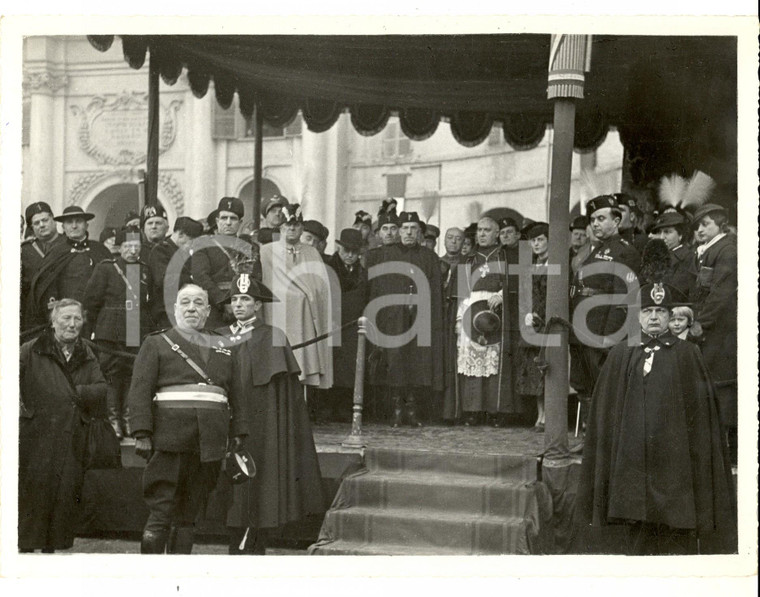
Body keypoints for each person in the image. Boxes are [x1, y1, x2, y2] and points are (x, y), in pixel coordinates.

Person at [574, 282, 736, 554]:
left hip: (675, 462)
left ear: (670, 317)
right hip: (632, 460)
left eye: (661, 311)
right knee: (636, 532)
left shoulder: (688, 355)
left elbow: (702, 415)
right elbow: (606, 413)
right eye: (647, 310)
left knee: (674, 534)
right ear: (637, 315)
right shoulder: (621, 354)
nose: (653, 318)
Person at [128, 284, 248, 554]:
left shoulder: (224, 345)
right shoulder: (156, 343)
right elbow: (140, 391)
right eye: (185, 302)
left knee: (190, 514)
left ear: (207, 311)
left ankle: (179, 574)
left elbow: (237, 392)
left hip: (209, 442)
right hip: (169, 438)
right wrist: (142, 433)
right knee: (161, 510)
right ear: (174, 310)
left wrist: (239, 431)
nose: (191, 308)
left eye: (198, 303)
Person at [220, 273, 325, 554]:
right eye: (235, 299)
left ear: (257, 305)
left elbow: (285, 398)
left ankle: (255, 545)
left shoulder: (273, 337)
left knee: (258, 483)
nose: (239, 304)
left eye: (246, 299)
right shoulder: (219, 336)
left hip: (261, 422)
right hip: (224, 421)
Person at [19, 299, 108, 552]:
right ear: (53, 321)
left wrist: (75, 393)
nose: (72, 324)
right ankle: (24, 552)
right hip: (37, 435)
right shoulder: (31, 349)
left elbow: (101, 388)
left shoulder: (87, 351)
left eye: (77, 319)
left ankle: (51, 550)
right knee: (34, 490)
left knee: (64, 494)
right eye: (66, 318)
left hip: (71, 435)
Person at [367, 211, 444, 427]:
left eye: (413, 228)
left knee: (418, 363)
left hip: (420, 319)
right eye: (405, 228)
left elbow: (436, 292)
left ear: (420, 233)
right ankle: (397, 408)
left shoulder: (429, 257)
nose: (409, 232)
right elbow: (378, 290)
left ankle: (412, 409)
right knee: (396, 362)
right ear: (399, 231)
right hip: (393, 320)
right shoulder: (387, 254)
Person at [570, 195, 641, 406]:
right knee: (586, 385)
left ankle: (604, 436)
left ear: (616, 222)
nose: (595, 224)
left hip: (601, 330)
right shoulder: (594, 251)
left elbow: (624, 299)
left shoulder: (624, 251)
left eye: (601, 219)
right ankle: (592, 435)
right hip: (584, 327)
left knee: (605, 387)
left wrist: (609, 336)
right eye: (593, 220)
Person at [83, 226, 152, 439]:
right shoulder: (106, 268)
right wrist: (92, 331)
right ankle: (113, 421)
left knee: (132, 374)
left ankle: (129, 419)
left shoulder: (144, 270)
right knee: (112, 376)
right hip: (109, 329)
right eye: (128, 246)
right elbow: (91, 301)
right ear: (119, 247)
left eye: (136, 246)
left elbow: (148, 303)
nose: (132, 250)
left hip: (135, 326)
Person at [452, 215, 517, 427]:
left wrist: (501, 294)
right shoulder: (468, 258)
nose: (481, 234)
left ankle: (495, 411)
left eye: (487, 230)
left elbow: (513, 284)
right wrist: (459, 318)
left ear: (497, 234)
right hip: (471, 308)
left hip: (496, 309)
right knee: (472, 359)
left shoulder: (505, 256)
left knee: (494, 362)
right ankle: (473, 411)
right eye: (479, 230)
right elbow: (461, 291)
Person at [260, 203, 334, 389]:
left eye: (296, 225)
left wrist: (306, 294)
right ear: (280, 227)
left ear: (302, 228)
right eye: (287, 225)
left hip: (306, 318)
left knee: (304, 369)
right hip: (277, 317)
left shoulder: (312, 252)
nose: (291, 229)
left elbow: (321, 288)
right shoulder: (266, 251)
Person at [689, 203, 738, 465]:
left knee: (722, 385)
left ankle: (727, 454)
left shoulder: (726, 250)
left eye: (705, 224)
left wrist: (701, 323)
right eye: (697, 226)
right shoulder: (709, 251)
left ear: (720, 224)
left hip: (722, 331)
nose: (699, 229)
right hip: (713, 329)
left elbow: (721, 292)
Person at [27, 205, 112, 331]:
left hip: (99, 318)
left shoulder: (100, 250)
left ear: (86, 225)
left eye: (78, 221)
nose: (74, 226)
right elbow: (47, 289)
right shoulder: (56, 252)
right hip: (67, 320)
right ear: (63, 227)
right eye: (69, 222)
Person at [192, 197, 260, 328]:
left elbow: (256, 278)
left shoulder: (249, 247)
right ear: (217, 221)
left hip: (244, 310)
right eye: (224, 218)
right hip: (213, 309)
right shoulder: (203, 245)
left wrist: (239, 303)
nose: (228, 223)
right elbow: (201, 277)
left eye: (233, 218)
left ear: (240, 222)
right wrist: (224, 302)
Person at [325, 228, 368, 420]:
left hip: (353, 326)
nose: (350, 256)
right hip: (331, 323)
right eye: (346, 251)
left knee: (349, 366)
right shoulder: (328, 267)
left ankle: (343, 407)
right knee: (330, 364)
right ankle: (326, 407)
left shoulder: (363, 273)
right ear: (339, 248)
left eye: (354, 252)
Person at [515, 222, 550, 431]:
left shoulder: (555, 265)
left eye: (540, 240)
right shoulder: (532, 266)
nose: (536, 244)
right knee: (534, 370)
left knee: (547, 369)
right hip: (531, 322)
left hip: (546, 323)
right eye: (533, 241)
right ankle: (540, 414)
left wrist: (541, 315)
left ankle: (548, 416)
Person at [149, 216, 204, 329]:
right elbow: (164, 280)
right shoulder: (160, 251)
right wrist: (192, 279)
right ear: (180, 234)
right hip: (165, 313)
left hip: (181, 311)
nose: (193, 245)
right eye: (191, 241)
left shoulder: (182, 252)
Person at [20, 202, 66, 330]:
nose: (42, 225)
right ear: (32, 227)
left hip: (65, 316)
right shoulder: (25, 251)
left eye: (45, 220)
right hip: (36, 319)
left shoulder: (68, 244)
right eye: (36, 223)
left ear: (54, 220)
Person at [648, 209, 697, 297]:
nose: (662, 237)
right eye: (660, 232)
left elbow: (677, 291)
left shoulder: (689, 258)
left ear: (680, 235)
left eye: (667, 232)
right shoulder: (656, 256)